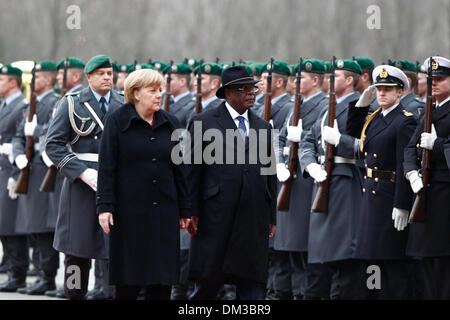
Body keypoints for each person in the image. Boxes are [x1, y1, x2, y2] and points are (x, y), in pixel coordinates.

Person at [96, 68, 191, 300]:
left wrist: (186, 209)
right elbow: (107, 167)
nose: (159, 95)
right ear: (136, 93)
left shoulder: (172, 122)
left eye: (160, 90)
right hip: (130, 214)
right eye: (152, 91)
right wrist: (104, 206)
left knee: (161, 282)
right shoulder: (117, 122)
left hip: (165, 213)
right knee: (130, 281)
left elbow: (182, 170)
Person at [186, 66, 277, 300]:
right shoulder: (203, 122)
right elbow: (191, 171)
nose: (250, 93)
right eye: (243, 89)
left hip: (253, 216)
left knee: (251, 285)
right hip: (215, 216)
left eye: (252, 88)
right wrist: (190, 210)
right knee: (208, 283)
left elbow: (269, 175)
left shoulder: (263, 127)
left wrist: (271, 215)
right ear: (227, 93)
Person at [45, 54, 124, 299]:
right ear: (88, 77)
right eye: (101, 73)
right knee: (76, 251)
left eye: (110, 73)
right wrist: (81, 171)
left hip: (114, 183)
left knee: (114, 250)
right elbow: (54, 145)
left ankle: (111, 295)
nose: (107, 77)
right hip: (80, 185)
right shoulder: (72, 103)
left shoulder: (124, 103)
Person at [343, 65, 417, 299]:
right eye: (379, 89)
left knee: (391, 262)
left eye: (388, 89)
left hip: (389, 197)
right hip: (371, 196)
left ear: (400, 92)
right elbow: (353, 131)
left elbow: (404, 163)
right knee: (371, 260)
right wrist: (362, 104)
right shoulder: (375, 117)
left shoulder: (404, 121)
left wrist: (402, 203)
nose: (382, 94)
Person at [299, 59, 366, 300]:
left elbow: (367, 149)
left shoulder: (360, 106)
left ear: (349, 80)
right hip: (323, 181)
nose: (329, 80)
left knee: (343, 255)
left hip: (345, 183)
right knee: (321, 257)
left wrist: (342, 141)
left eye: (335, 77)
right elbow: (307, 140)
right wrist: (310, 165)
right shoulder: (328, 108)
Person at [275, 59, 331, 300]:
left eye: (301, 79)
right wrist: (278, 161)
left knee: (301, 248)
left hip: (305, 180)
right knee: (287, 249)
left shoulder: (322, 106)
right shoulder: (295, 105)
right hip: (287, 178)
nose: (294, 83)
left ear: (315, 80)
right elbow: (279, 139)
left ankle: (302, 293)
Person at [403, 56, 450, 299]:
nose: (435, 84)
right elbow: (411, 148)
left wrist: (438, 145)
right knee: (425, 262)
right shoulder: (429, 109)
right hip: (424, 193)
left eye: (441, 79)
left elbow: (437, 146)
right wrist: (411, 172)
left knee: (442, 264)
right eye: (432, 80)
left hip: (444, 196)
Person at [12, 61, 60, 295]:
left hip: (44, 168)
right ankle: (41, 274)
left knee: (44, 227)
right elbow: (19, 136)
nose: (34, 82)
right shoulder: (33, 104)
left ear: (49, 80)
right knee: (34, 227)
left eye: (38, 77)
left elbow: (55, 134)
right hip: (30, 170)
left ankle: (47, 276)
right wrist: (19, 156)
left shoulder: (54, 102)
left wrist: (37, 131)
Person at [0, 64, 29, 292]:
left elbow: (22, 139)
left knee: (11, 225)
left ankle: (17, 273)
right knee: (3, 224)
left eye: (2, 80)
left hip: (13, 171)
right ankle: (10, 268)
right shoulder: (4, 105)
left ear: (13, 82)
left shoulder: (23, 106)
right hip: (2, 171)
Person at [169, 63, 195, 128]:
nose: (166, 83)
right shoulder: (166, 101)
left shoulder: (192, 105)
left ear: (182, 82)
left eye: (170, 80)